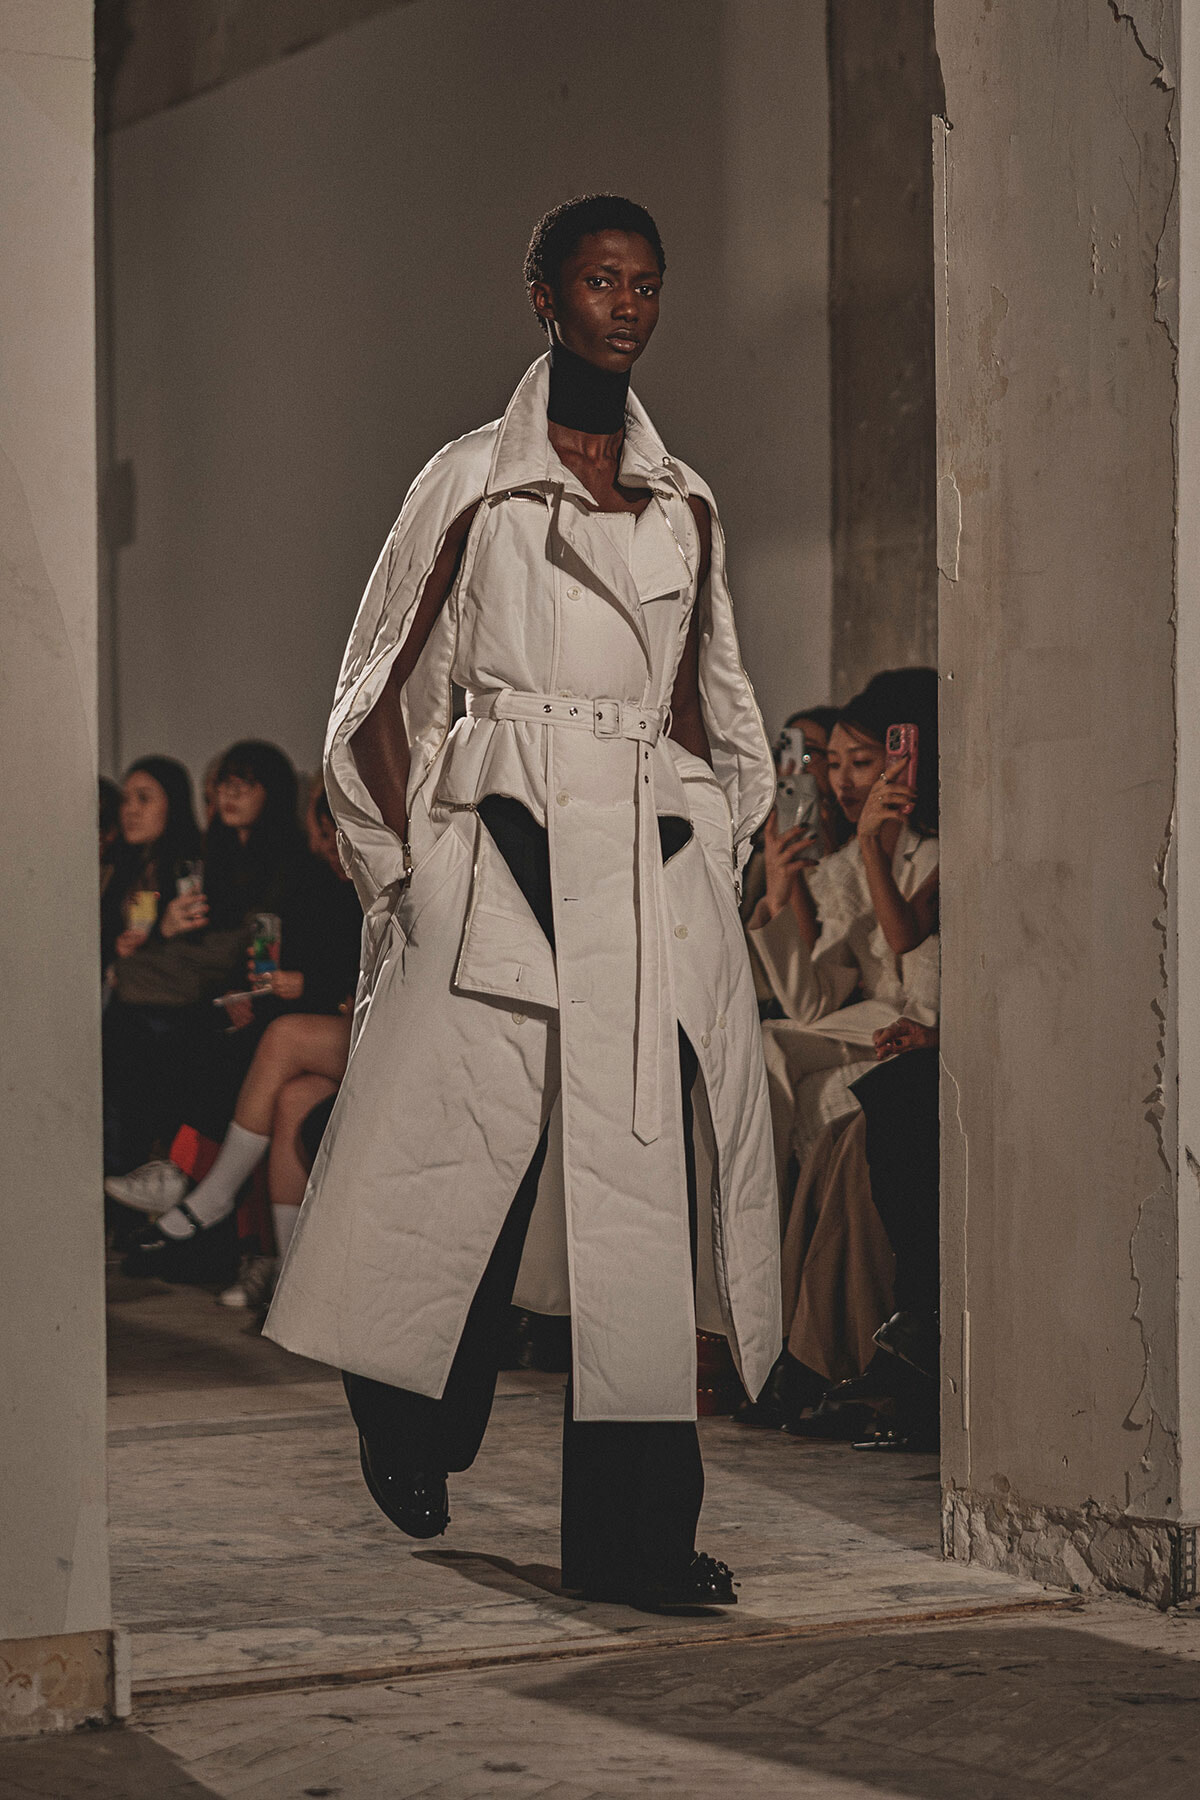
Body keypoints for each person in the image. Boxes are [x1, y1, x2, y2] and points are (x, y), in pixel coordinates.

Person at [264, 194, 781, 1612]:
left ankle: (638, 1546)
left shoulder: (686, 503)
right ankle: (407, 1412)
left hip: (633, 853)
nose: (628, 304)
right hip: (494, 840)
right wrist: (407, 876)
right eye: (601, 280)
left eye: (647, 284)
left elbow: (708, 702)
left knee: (635, 1219)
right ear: (543, 297)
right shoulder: (470, 483)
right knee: (464, 1167)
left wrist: (714, 845)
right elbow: (374, 686)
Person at [112, 783, 361, 1293]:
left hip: (378, 1027)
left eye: (327, 834)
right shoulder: (306, 880)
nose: (321, 845)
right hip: (334, 1020)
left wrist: (302, 986)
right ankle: (291, 1278)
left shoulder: (354, 882)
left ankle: (206, 1191)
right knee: (288, 1094)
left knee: (275, 1037)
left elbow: (355, 974)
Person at [747, 668, 939, 1200]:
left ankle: (773, 1224)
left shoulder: (939, 852)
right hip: (869, 1027)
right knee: (764, 1046)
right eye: (832, 765)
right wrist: (780, 895)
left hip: (914, 1034)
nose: (839, 782)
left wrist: (866, 844)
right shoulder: (847, 864)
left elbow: (906, 949)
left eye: (860, 763)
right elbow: (812, 1004)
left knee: (805, 1087)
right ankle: (752, 1225)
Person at [102, 741, 307, 1185]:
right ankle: (160, 1172)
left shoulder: (286, 861)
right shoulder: (216, 855)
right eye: (222, 786)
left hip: (263, 995)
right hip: (220, 990)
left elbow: (245, 944)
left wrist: (149, 952)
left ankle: (175, 1175)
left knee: (179, 1042)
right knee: (144, 1036)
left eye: (242, 785)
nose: (228, 796)